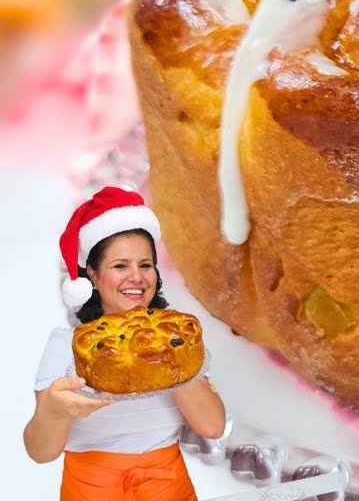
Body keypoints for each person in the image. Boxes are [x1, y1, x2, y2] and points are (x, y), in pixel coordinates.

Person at [23, 186, 226, 501]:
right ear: (92, 274)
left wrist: (166, 355)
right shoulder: (70, 347)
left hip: (168, 488)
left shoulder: (175, 339)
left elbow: (212, 426)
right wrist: (53, 408)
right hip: (91, 491)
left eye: (145, 265)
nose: (137, 277)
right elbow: (40, 452)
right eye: (120, 266)